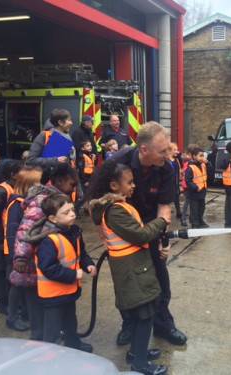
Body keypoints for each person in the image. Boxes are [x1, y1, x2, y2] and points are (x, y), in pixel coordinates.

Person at [102, 121, 187, 347]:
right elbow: (95, 202)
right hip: (123, 231)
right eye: (162, 151)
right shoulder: (116, 164)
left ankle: (162, 325)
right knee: (128, 285)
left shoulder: (167, 168)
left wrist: (162, 239)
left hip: (150, 228)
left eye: (168, 149)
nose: (167, 156)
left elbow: (164, 206)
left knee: (160, 280)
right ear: (144, 150)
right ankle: (129, 325)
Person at [89, 160, 169, 375]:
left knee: (141, 314)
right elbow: (141, 235)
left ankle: (137, 351)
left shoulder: (119, 206)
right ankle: (140, 363)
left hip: (135, 270)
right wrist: (161, 221)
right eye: (129, 182)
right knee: (144, 315)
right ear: (114, 186)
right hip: (133, 272)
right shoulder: (115, 211)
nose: (133, 186)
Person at [10, 163, 79, 340]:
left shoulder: (57, 199)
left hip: (45, 267)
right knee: (39, 318)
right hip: (33, 268)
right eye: (72, 184)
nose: (74, 188)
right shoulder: (42, 201)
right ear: (60, 181)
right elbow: (26, 230)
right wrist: (22, 259)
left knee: (54, 314)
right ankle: (41, 352)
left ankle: (60, 341)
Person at [33, 193, 96, 352]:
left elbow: (81, 253)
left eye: (72, 210)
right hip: (53, 295)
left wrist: (88, 265)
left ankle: (73, 344)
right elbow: (48, 268)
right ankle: (49, 356)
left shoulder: (73, 231)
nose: (73, 214)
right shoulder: (48, 240)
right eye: (66, 212)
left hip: (68, 291)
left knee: (70, 321)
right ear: (53, 218)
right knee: (52, 330)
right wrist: (73, 275)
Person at [4, 166, 43, 331]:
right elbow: (14, 231)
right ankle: (12, 317)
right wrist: (16, 256)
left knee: (24, 285)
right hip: (18, 253)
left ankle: (25, 314)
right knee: (18, 285)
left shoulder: (26, 202)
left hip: (25, 252)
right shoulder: (17, 204)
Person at [0, 159, 23, 314]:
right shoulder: (2, 190)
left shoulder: (15, 188)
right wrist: (0, 240)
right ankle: (2, 302)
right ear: (13, 174)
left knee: (3, 268)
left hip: (5, 236)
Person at [185, 147, 209, 229]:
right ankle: (195, 223)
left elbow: (210, 171)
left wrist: (208, 163)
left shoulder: (203, 165)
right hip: (195, 192)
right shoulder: (190, 167)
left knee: (202, 207)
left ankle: (200, 220)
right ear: (194, 156)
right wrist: (195, 187)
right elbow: (188, 180)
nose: (202, 158)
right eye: (200, 156)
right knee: (194, 208)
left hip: (202, 190)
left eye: (203, 156)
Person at [168, 143, 182, 220]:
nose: (177, 151)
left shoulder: (176, 160)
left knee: (177, 198)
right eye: (175, 150)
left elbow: (179, 170)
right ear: (169, 151)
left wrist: (179, 182)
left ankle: (178, 212)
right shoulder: (167, 161)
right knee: (168, 199)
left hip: (175, 183)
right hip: (169, 184)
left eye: (177, 149)